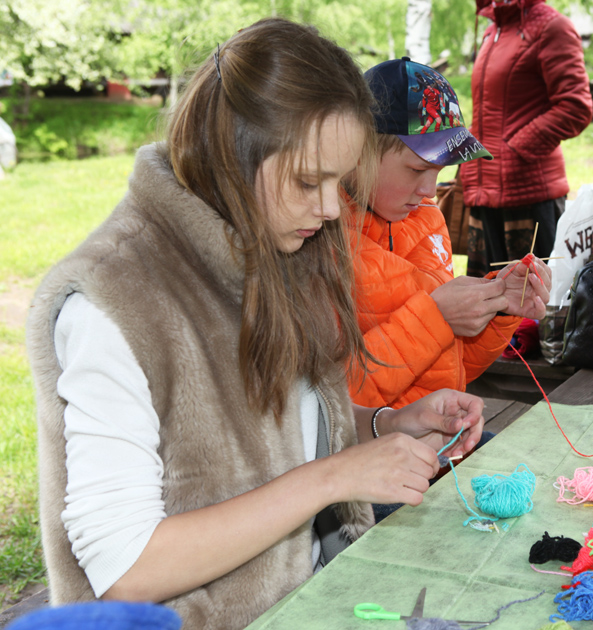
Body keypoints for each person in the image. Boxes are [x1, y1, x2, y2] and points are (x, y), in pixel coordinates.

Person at [26, 19, 485, 630]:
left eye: (340, 181)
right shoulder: (114, 302)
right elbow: (125, 567)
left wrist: (384, 424)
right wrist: (331, 478)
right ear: (231, 156)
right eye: (309, 181)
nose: (331, 208)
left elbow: (282, 423)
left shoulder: (275, 242)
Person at [346, 57, 551, 409]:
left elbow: (453, 366)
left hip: (441, 432)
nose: (429, 190)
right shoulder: (320, 237)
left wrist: (498, 308)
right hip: (372, 441)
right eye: (417, 169)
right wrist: (436, 317)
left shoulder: (427, 219)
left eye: (440, 171)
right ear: (359, 151)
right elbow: (329, 404)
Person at [459, 0, 593, 278]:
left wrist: (514, 150)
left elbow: (576, 107)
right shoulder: (493, 30)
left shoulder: (552, 27)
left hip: (529, 195)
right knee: (489, 297)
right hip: (485, 191)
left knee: (534, 298)